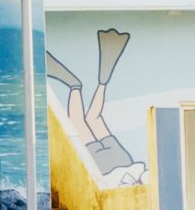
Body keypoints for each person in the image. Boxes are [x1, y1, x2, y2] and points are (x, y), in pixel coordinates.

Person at [46, 28, 146, 186]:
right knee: (78, 122)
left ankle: (102, 80)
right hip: (104, 167)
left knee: (93, 118)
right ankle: (74, 86)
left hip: (123, 159)